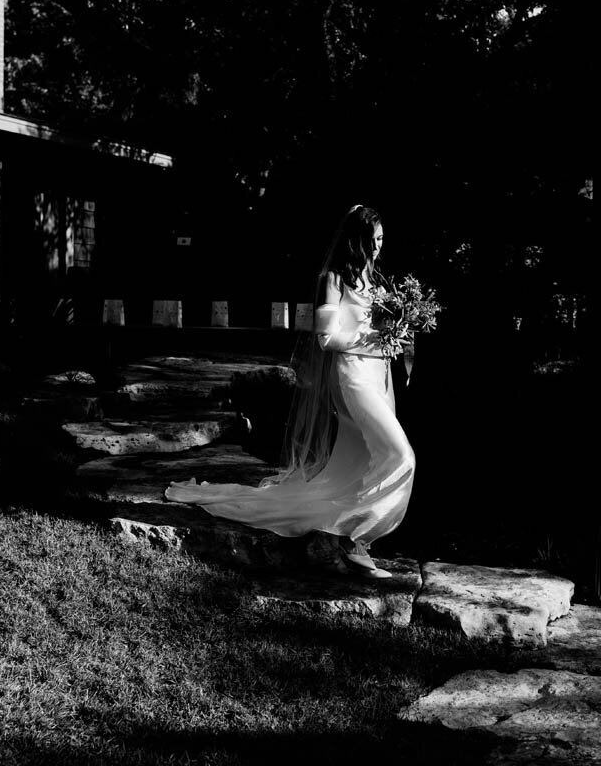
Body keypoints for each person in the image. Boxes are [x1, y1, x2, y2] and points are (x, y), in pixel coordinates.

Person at [164, 205, 415, 578]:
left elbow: (379, 330)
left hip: (379, 376)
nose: (379, 247)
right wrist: (373, 339)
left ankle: (355, 539)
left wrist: (396, 334)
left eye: (382, 239)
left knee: (364, 458)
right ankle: (354, 537)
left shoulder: (377, 282)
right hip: (353, 377)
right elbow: (326, 338)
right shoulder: (334, 279)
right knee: (401, 455)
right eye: (373, 240)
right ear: (357, 241)